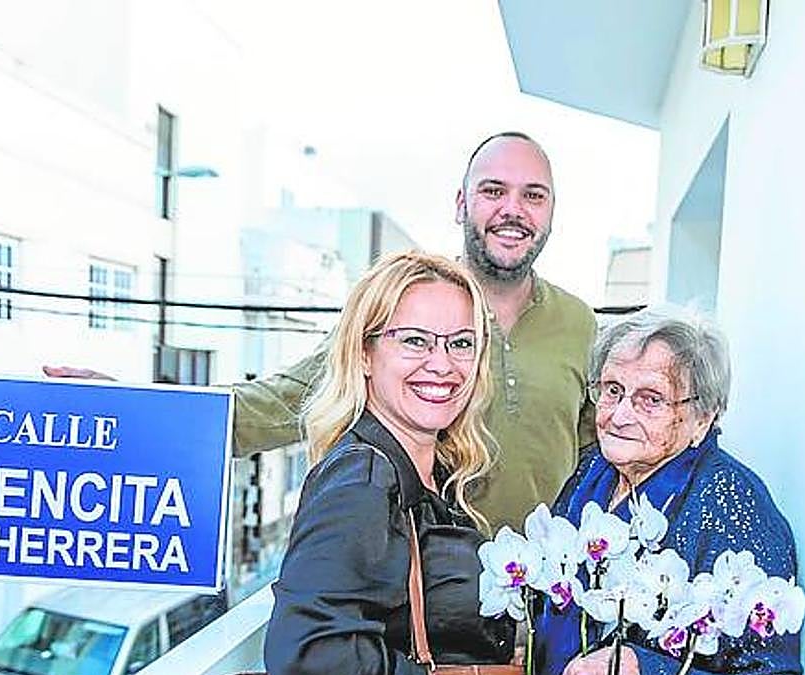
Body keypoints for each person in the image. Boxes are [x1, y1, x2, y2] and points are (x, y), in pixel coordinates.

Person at [46, 132, 597, 534]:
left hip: (541, 614)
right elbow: (283, 401)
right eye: (493, 190)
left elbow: (601, 453)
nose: (513, 210)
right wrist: (135, 407)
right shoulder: (403, 303)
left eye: (533, 195)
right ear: (462, 204)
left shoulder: (580, 325)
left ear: (551, 212)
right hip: (423, 607)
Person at [263, 251, 561, 675]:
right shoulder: (364, 477)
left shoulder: (431, 473)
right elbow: (313, 654)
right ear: (363, 353)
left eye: (461, 344)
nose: (442, 365)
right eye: (414, 340)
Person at [534, 306, 805, 675]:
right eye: (610, 390)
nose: (618, 413)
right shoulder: (591, 476)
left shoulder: (733, 508)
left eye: (650, 398)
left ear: (702, 417)